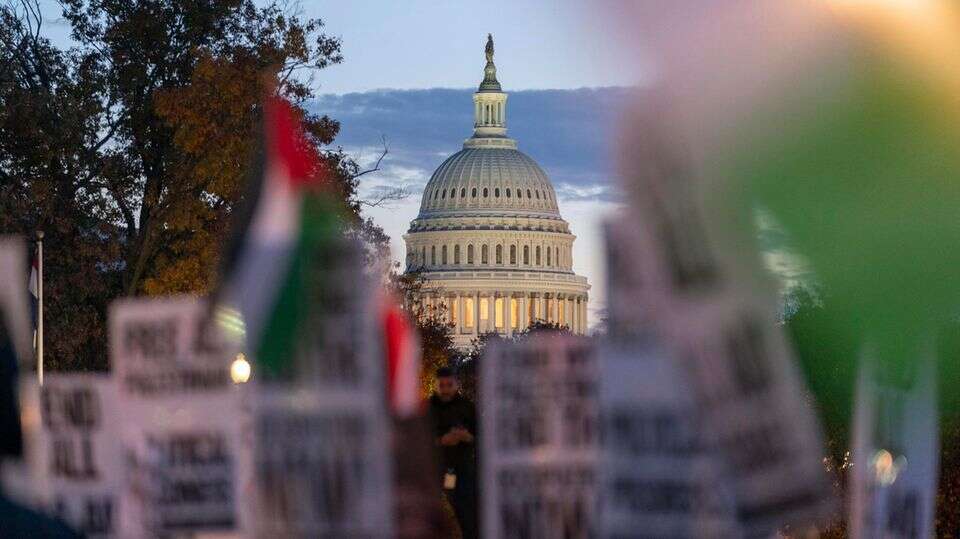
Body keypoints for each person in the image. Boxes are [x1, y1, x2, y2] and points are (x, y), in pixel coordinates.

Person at [428, 367, 478, 539]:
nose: (446, 389)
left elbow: (481, 436)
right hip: (438, 469)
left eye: (449, 385)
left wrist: (467, 436)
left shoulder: (467, 407)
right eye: (442, 385)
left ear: (455, 385)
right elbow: (420, 440)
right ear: (437, 385)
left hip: (463, 467)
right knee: (440, 509)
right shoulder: (429, 409)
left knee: (467, 510)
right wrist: (442, 440)